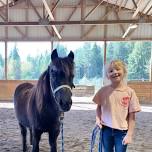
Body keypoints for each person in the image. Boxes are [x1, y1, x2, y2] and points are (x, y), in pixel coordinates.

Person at [93, 60, 141, 152]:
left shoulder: (130, 92)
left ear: (124, 71)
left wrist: (129, 134)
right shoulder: (103, 91)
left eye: (118, 69)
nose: (115, 72)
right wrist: (98, 119)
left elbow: (132, 116)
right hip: (106, 129)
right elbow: (99, 107)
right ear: (107, 75)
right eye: (111, 71)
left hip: (122, 131)